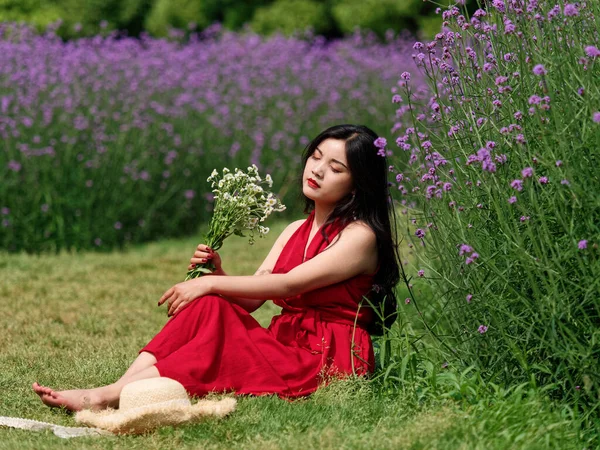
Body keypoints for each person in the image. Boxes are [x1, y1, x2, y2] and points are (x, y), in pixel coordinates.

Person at [32, 124, 401, 412]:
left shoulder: (360, 236)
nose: (317, 170)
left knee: (209, 317)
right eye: (316, 157)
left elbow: (287, 286)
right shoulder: (294, 230)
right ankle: (114, 391)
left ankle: (105, 397)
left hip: (325, 358)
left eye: (335, 168)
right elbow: (254, 298)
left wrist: (208, 286)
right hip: (285, 342)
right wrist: (217, 277)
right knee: (209, 306)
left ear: (357, 184)